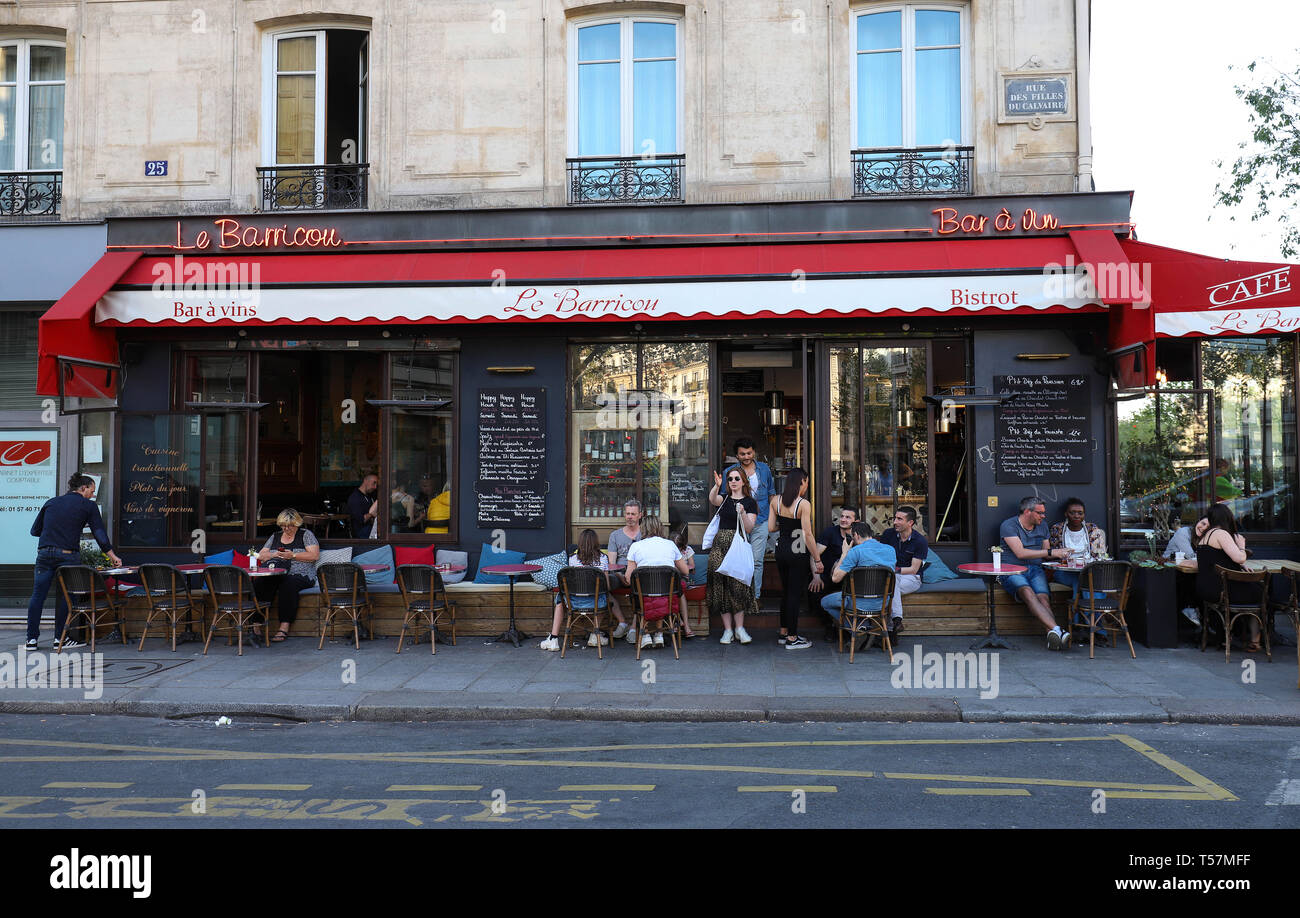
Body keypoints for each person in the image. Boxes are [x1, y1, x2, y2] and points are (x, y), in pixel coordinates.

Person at [25, 473, 123, 651]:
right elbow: (99, 533)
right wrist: (112, 556)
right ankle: (60, 639)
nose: (93, 495)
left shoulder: (51, 502)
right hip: (68, 556)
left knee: (38, 595)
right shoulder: (88, 506)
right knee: (67, 597)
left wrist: (55, 533)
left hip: (45, 554)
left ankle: (31, 640)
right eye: (92, 491)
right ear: (83, 488)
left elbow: (35, 530)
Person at [1000, 496, 1072, 651]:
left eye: (1044, 513)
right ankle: (1058, 630)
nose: (1043, 516)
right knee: (1027, 591)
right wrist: (1052, 551)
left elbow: (1046, 554)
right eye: (1040, 513)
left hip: (1035, 569)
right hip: (1012, 569)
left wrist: (1064, 553)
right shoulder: (1009, 525)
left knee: (1043, 598)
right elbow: (1020, 553)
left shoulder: (1043, 526)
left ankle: (1053, 636)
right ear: (1027, 512)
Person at [540, 529, 629, 652]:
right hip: (597, 603)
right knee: (605, 596)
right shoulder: (603, 559)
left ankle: (554, 638)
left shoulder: (572, 559)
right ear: (596, 543)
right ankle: (595, 633)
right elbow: (606, 586)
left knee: (560, 599)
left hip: (574, 603)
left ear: (580, 544)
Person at [711, 437, 775, 599]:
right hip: (737, 523)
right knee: (739, 560)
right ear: (737, 456)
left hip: (760, 520)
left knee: (757, 561)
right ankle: (739, 597)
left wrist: (774, 519)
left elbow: (771, 495)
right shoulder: (729, 472)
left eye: (749, 453)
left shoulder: (764, 469)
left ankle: (755, 597)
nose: (746, 456)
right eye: (742, 454)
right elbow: (722, 500)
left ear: (754, 452)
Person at [1195, 503, 1263, 653]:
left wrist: (1240, 566)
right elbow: (1240, 558)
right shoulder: (1220, 534)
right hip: (1223, 591)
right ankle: (1255, 640)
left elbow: (1218, 560)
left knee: (1254, 590)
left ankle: (1232, 637)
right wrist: (1241, 545)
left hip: (1206, 589)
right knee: (1262, 593)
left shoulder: (1204, 537)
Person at [768, 468, 822, 650]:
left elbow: (770, 527)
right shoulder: (803, 504)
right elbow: (807, 534)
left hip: (781, 550)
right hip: (797, 551)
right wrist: (817, 559)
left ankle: (784, 631)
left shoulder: (775, 500)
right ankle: (792, 638)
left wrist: (784, 527)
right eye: (806, 482)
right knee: (794, 594)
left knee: (786, 592)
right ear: (802, 482)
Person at [254, 508, 322, 642]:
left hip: (301, 574)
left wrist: (293, 555)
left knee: (288, 585)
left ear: (296, 524)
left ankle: (284, 626)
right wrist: (275, 554)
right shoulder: (275, 536)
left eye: (289, 526)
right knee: (259, 583)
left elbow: (314, 555)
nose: (286, 529)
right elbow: (260, 556)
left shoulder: (305, 534)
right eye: (283, 526)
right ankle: (256, 625)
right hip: (276, 573)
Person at [708, 467, 759, 644]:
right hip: (720, 545)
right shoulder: (725, 499)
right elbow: (713, 499)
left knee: (738, 587)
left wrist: (743, 513)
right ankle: (727, 630)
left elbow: (749, 528)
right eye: (730, 479)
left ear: (744, 481)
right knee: (721, 586)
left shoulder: (750, 502)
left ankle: (740, 628)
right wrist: (717, 486)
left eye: (737, 478)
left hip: (738, 546)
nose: (733, 481)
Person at [624, 517, 691, 650]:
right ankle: (659, 634)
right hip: (668, 597)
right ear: (660, 527)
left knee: (640, 595)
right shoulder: (670, 545)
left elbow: (628, 578)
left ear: (643, 528)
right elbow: (685, 571)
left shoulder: (635, 546)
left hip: (644, 598)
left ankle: (646, 635)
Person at [819, 522, 897, 623]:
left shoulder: (855, 551)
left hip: (858, 603)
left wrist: (844, 553)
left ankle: (855, 627)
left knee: (825, 602)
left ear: (856, 535)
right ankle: (864, 626)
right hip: (883, 603)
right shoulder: (890, 550)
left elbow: (835, 578)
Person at [879, 505, 927, 640]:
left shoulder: (920, 541)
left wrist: (894, 570)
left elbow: (913, 569)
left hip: (912, 578)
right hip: (890, 576)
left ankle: (888, 627)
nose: (895, 522)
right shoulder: (888, 534)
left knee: (892, 583)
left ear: (910, 523)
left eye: (899, 519)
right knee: (892, 584)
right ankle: (896, 623)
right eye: (895, 518)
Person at [810, 506, 857, 638]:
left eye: (848, 517)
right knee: (814, 592)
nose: (843, 519)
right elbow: (814, 555)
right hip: (826, 575)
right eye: (842, 516)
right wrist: (816, 577)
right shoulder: (830, 533)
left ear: (856, 521)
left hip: (848, 578)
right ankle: (829, 625)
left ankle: (849, 628)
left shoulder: (857, 536)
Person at [1047, 497, 1108, 598]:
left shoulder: (1092, 529)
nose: (1076, 516)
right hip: (1064, 572)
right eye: (1072, 513)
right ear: (1066, 514)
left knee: (1083, 578)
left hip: (1088, 571)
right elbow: (1054, 555)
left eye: (1080, 513)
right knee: (1082, 579)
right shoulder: (1057, 529)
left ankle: (1079, 612)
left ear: (1084, 515)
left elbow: (1099, 555)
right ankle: (1091, 612)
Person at [670, 522, 699, 640]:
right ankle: (681, 621)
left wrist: (682, 567)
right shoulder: (668, 550)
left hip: (682, 578)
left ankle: (680, 621)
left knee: (676, 589)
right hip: (670, 579)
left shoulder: (687, 550)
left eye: (680, 549)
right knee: (671, 590)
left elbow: (692, 566)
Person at [606, 499, 644, 567]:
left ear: (640, 515)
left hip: (641, 571)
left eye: (633, 514)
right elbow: (612, 564)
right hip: (621, 572)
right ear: (624, 514)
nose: (630, 517)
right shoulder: (615, 535)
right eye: (628, 514)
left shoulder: (646, 534)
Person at [347, 473, 380, 538]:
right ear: (365, 481)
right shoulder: (355, 497)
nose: (375, 487)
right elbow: (361, 520)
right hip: (361, 533)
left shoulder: (370, 497)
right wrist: (371, 514)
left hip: (371, 529)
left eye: (376, 485)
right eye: (374, 483)